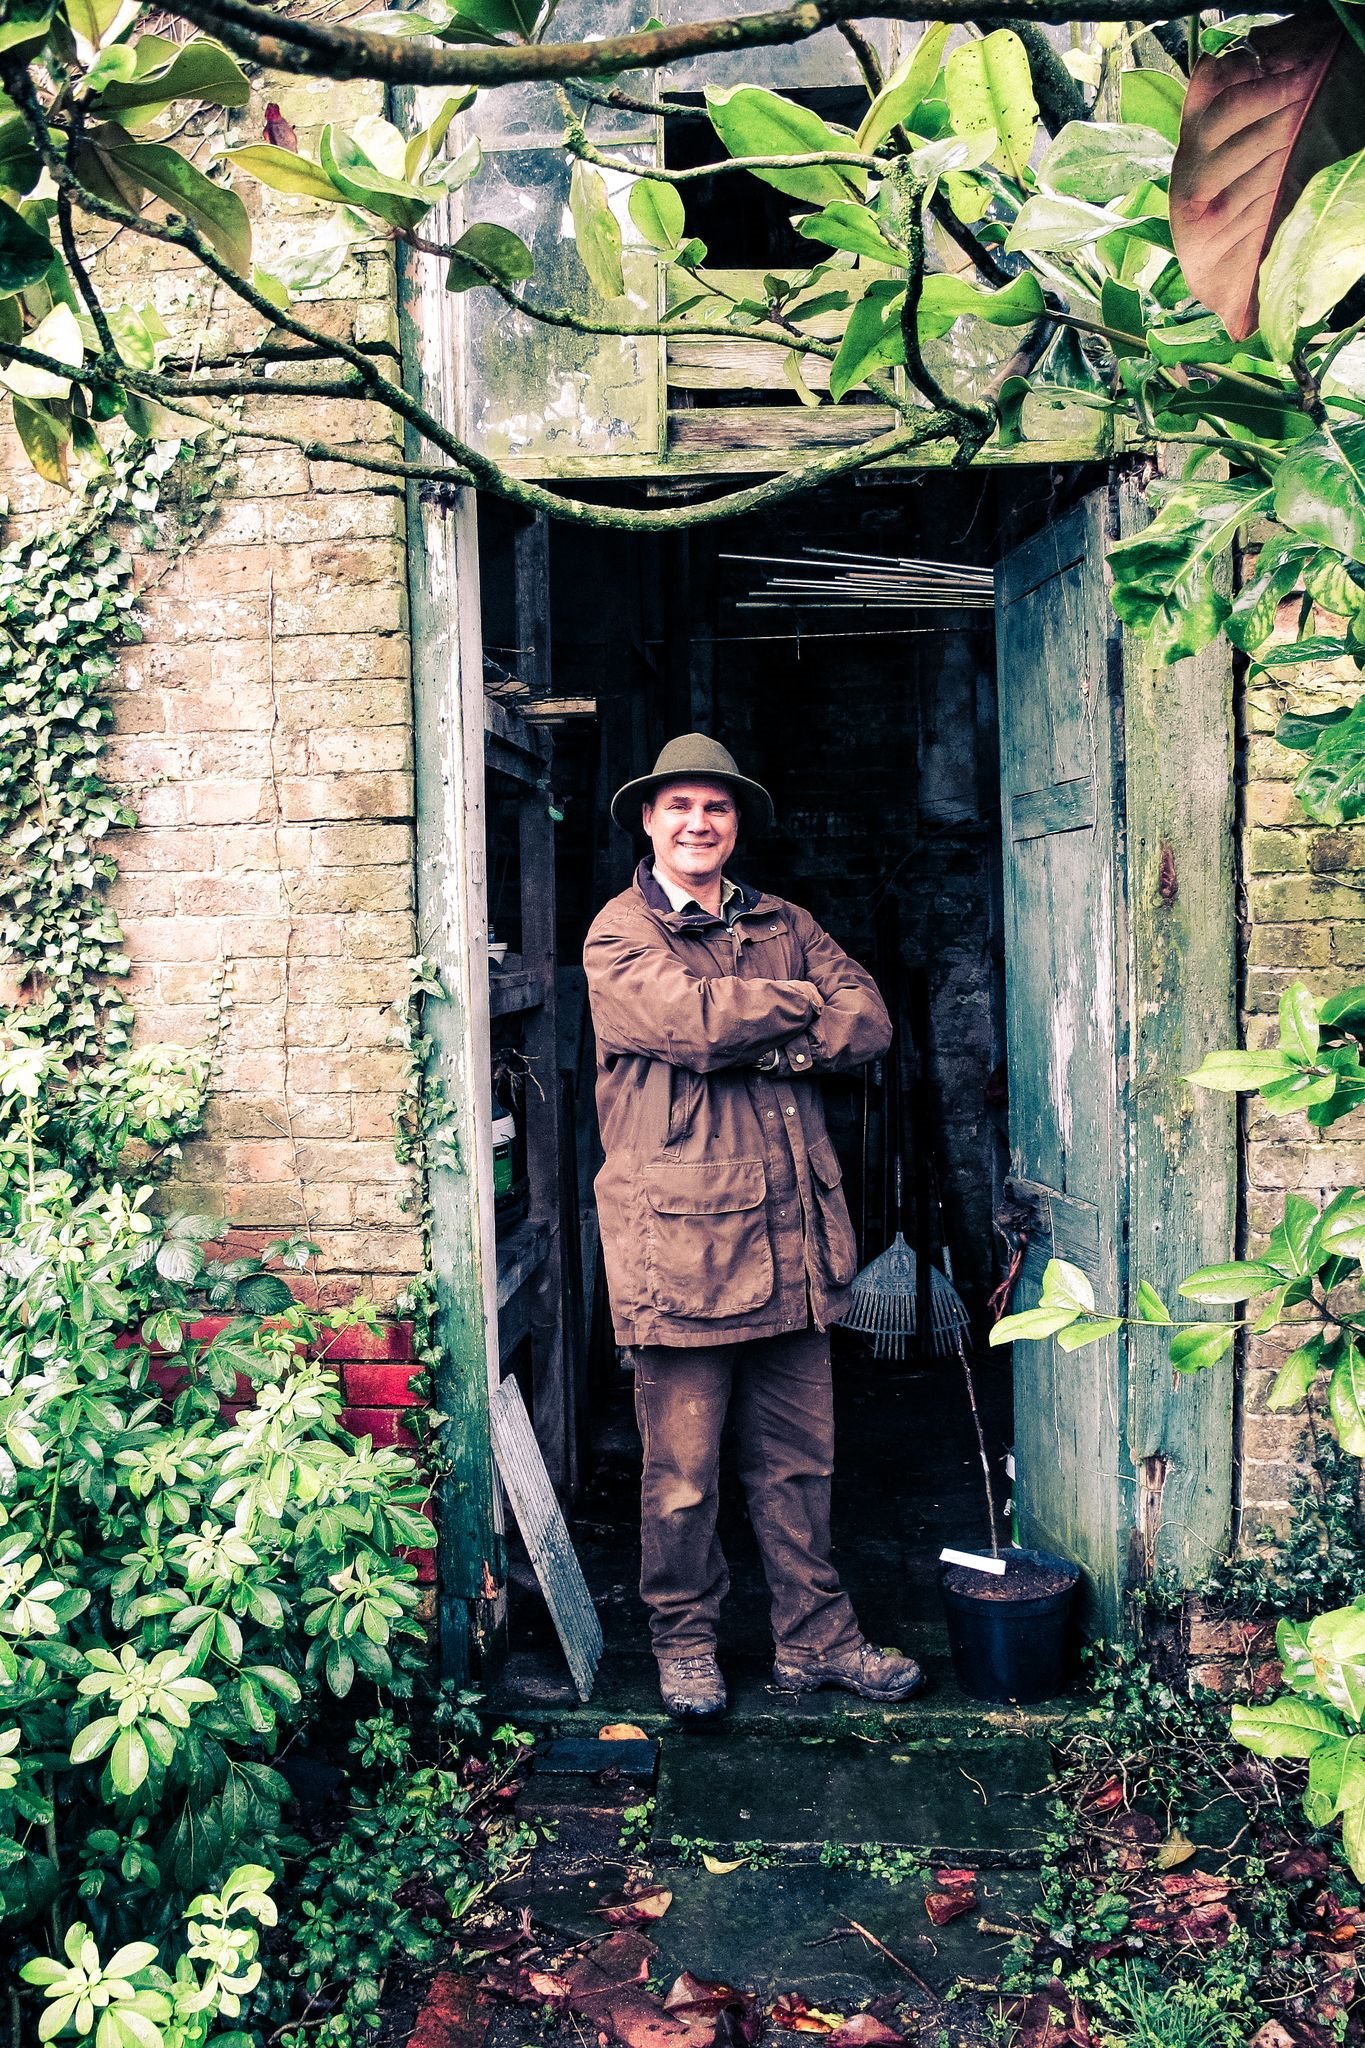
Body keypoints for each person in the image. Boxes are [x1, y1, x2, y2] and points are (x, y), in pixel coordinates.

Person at [583, 733, 925, 1720]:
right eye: (680, 805)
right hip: (681, 1254)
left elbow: (868, 1019)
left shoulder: (783, 918)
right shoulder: (618, 935)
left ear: (736, 825)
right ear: (647, 819)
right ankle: (685, 1641)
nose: (700, 823)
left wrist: (770, 1037)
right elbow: (687, 1021)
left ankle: (815, 1641)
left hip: (791, 1244)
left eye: (718, 808)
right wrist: (798, 1009)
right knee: (683, 1478)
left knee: (799, 1465)